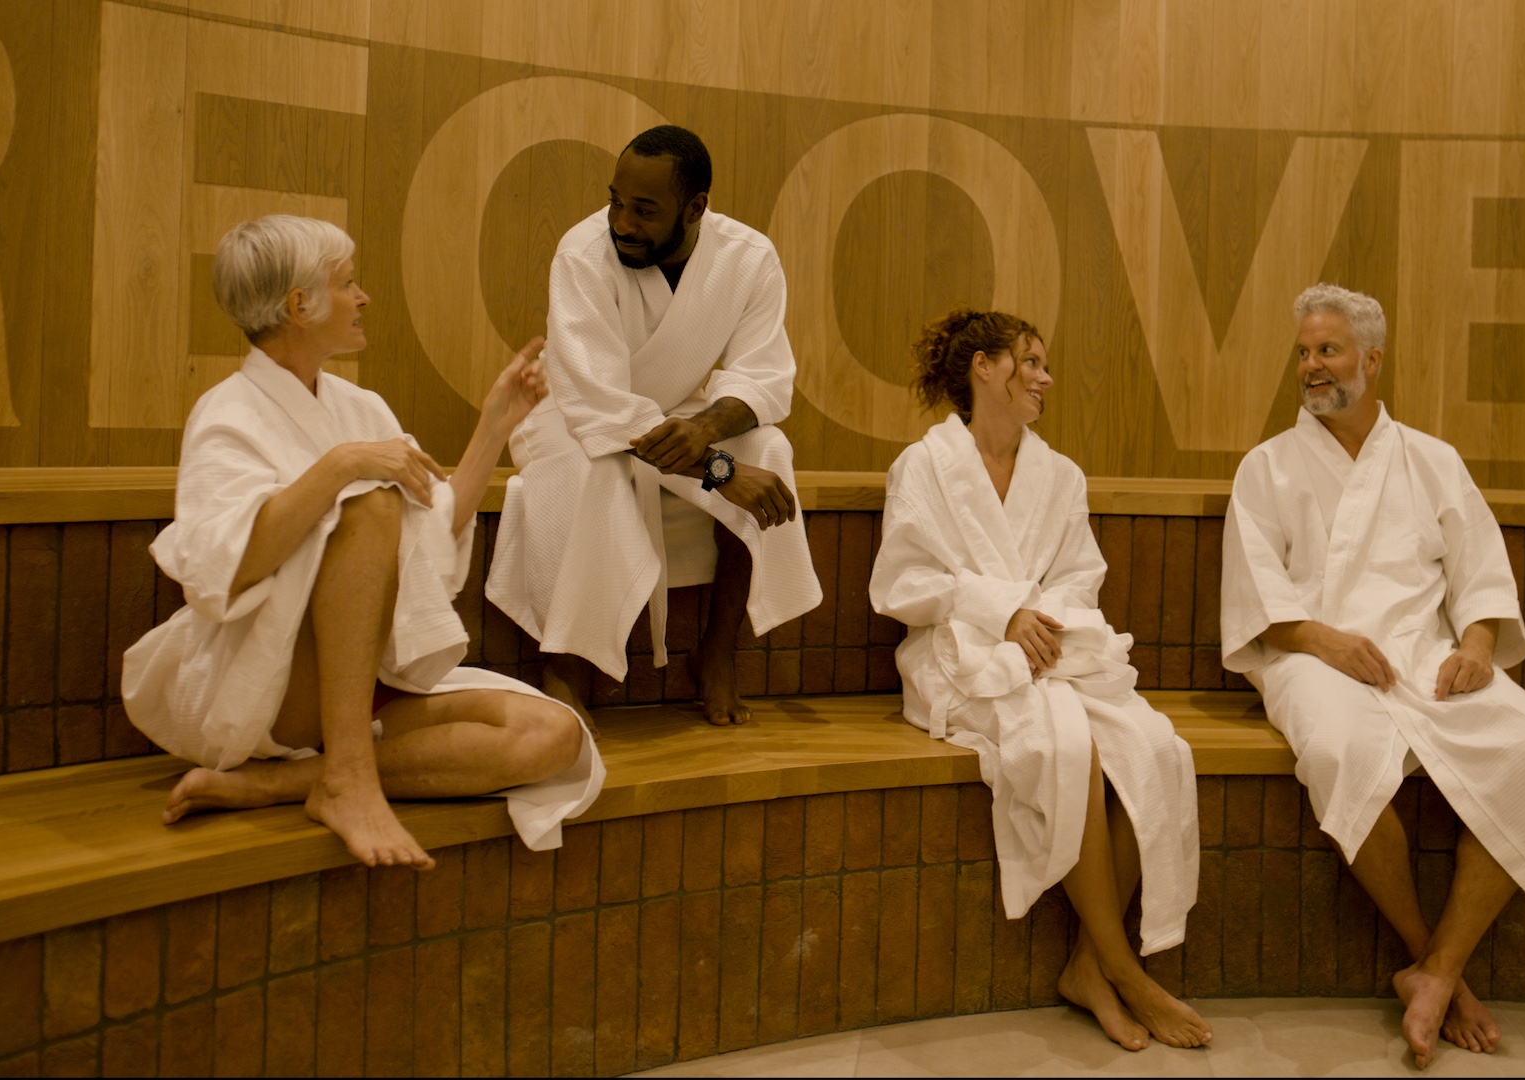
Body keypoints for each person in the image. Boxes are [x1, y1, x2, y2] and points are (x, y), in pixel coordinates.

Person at [1222, 283, 1525, 1068]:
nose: (1310, 366)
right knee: (1339, 754)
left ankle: (1436, 972)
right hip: (1312, 656)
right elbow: (1258, 599)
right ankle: (1431, 958)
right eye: (1303, 351)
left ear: (1371, 359)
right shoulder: (1266, 468)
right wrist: (1324, 641)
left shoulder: (1432, 459)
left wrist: (1476, 646)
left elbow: (1479, 576)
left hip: (1422, 653)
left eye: (1327, 350)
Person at [123, 215, 601, 870]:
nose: (363, 297)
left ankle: (286, 785)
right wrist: (342, 467)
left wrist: (494, 425)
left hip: (369, 674)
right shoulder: (227, 413)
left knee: (552, 737)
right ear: (300, 306)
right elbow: (223, 571)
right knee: (370, 501)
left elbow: (430, 540)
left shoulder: (361, 408)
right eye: (348, 283)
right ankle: (347, 776)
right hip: (275, 683)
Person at [870, 309, 1209, 1051]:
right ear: (982, 368)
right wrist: (1003, 612)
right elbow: (900, 582)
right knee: (1068, 749)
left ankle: (1090, 966)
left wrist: (1042, 623)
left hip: (1050, 654)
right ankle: (1123, 968)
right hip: (957, 656)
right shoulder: (922, 467)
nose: (1044, 378)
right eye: (1030, 362)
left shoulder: (1059, 474)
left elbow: (1081, 576)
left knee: (1155, 749)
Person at [486, 125, 822, 729]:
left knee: (768, 446)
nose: (621, 222)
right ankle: (563, 666)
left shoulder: (748, 258)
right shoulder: (581, 253)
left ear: (696, 208)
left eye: (644, 210)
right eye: (615, 200)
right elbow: (600, 404)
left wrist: (708, 431)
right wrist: (719, 469)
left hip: (677, 413)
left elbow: (764, 376)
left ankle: (716, 655)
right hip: (571, 415)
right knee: (594, 470)